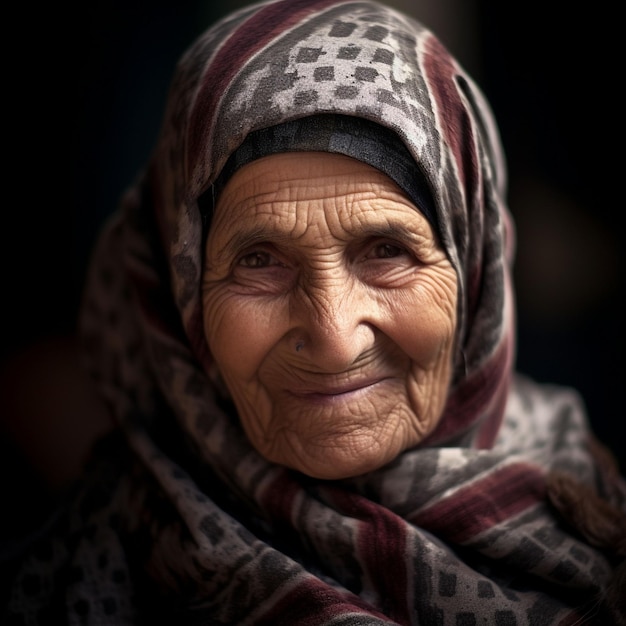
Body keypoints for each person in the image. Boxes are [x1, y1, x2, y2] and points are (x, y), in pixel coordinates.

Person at [3, 0, 625, 623]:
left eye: (387, 251)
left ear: (475, 264)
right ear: (180, 294)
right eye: (259, 261)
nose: (333, 337)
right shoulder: (82, 582)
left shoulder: (593, 511)